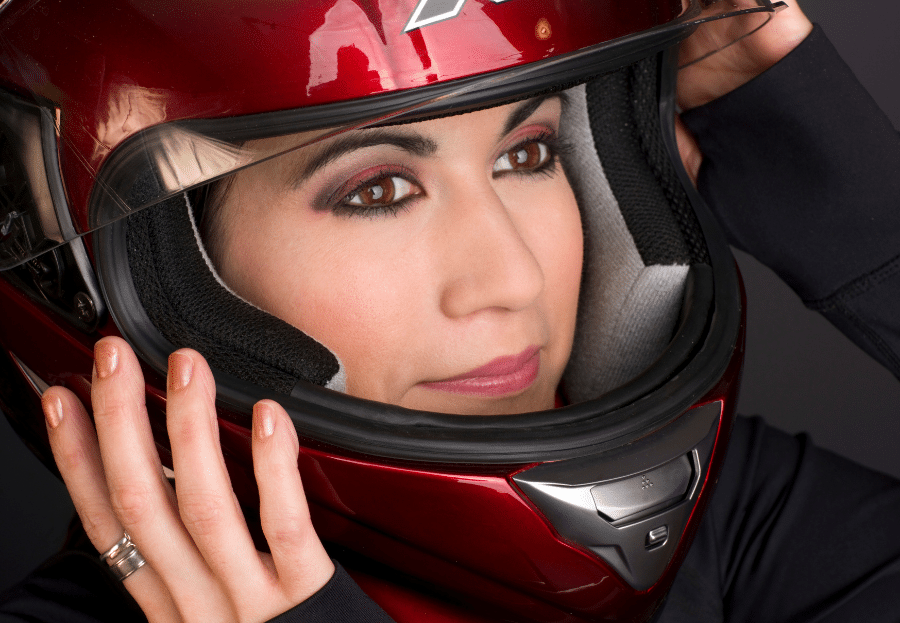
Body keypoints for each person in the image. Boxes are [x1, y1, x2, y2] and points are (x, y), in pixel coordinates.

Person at [0, 0, 898, 621]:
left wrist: (836, 178)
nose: (508, 277)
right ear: (170, 284)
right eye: (379, 188)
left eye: (529, 153)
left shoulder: (728, 519)